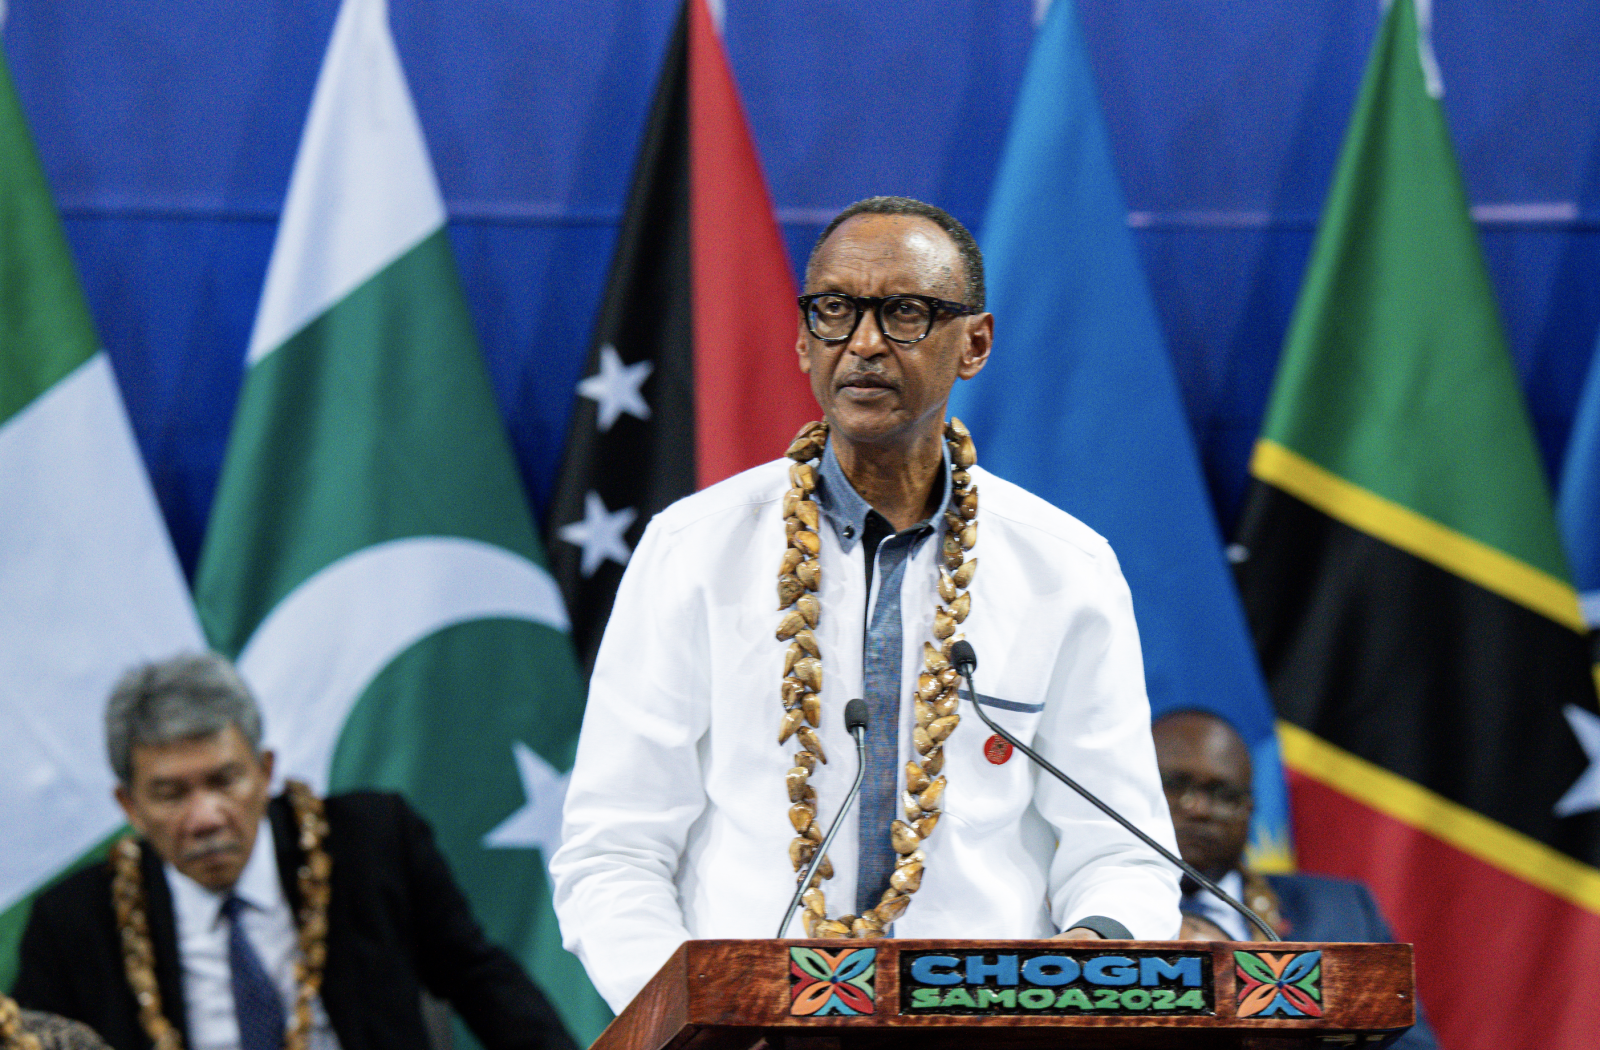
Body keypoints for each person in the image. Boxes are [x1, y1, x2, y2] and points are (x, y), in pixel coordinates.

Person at [550, 196, 1181, 1012]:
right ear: (803, 339)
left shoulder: (1066, 568)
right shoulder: (693, 550)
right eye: (837, 311)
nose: (867, 343)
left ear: (975, 344)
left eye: (907, 313)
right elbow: (612, 850)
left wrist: (1073, 976)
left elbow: (1123, 853)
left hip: (987, 1032)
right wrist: (694, 1013)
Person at [12, 652, 575, 1050]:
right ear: (129, 806)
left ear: (266, 772)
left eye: (225, 780)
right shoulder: (73, 924)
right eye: (171, 793)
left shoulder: (371, 843)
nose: (206, 816)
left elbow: (481, 981)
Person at [1153, 709, 1437, 1049]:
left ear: (1250, 810)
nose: (1199, 808)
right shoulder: (1077, 916)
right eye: (1173, 784)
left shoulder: (1344, 913)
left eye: (1224, 794)